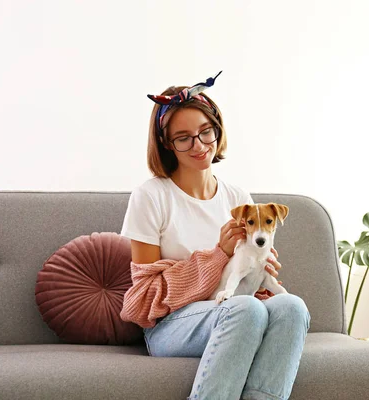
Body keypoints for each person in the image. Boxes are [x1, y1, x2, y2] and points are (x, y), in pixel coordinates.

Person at [119, 71, 311, 400]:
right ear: (167, 143)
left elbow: (246, 278)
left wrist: (258, 269)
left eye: (205, 132)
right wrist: (218, 255)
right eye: (184, 137)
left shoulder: (238, 196)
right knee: (244, 309)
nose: (199, 145)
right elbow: (144, 299)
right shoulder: (151, 197)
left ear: (217, 129)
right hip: (172, 325)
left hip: (234, 311)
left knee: (292, 307)